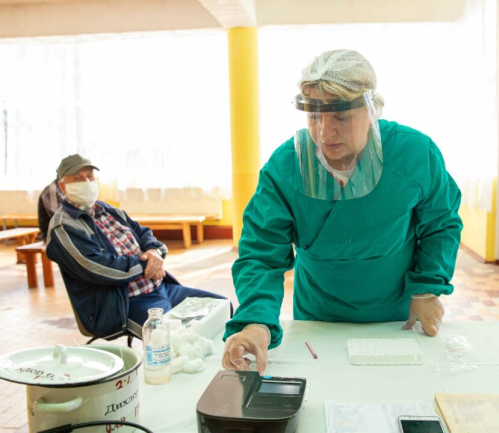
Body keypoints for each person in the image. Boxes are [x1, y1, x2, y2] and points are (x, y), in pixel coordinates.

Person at [222, 49, 463, 373]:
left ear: (371, 110)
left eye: (341, 117)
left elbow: (441, 224)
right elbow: (261, 254)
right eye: (314, 116)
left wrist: (426, 288)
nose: (325, 132)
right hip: (318, 315)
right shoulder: (285, 168)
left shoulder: (414, 154)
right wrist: (256, 322)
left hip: (394, 313)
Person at [46, 154, 231, 340]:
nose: (86, 183)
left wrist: (154, 251)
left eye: (89, 177)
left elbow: (144, 233)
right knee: (172, 339)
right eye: (77, 178)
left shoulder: (108, 210)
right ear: (62, 186)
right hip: (126, 303)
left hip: (161, 287)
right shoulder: (63, 226)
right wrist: (148, 264)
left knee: (222, 307)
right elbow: (97, 267)